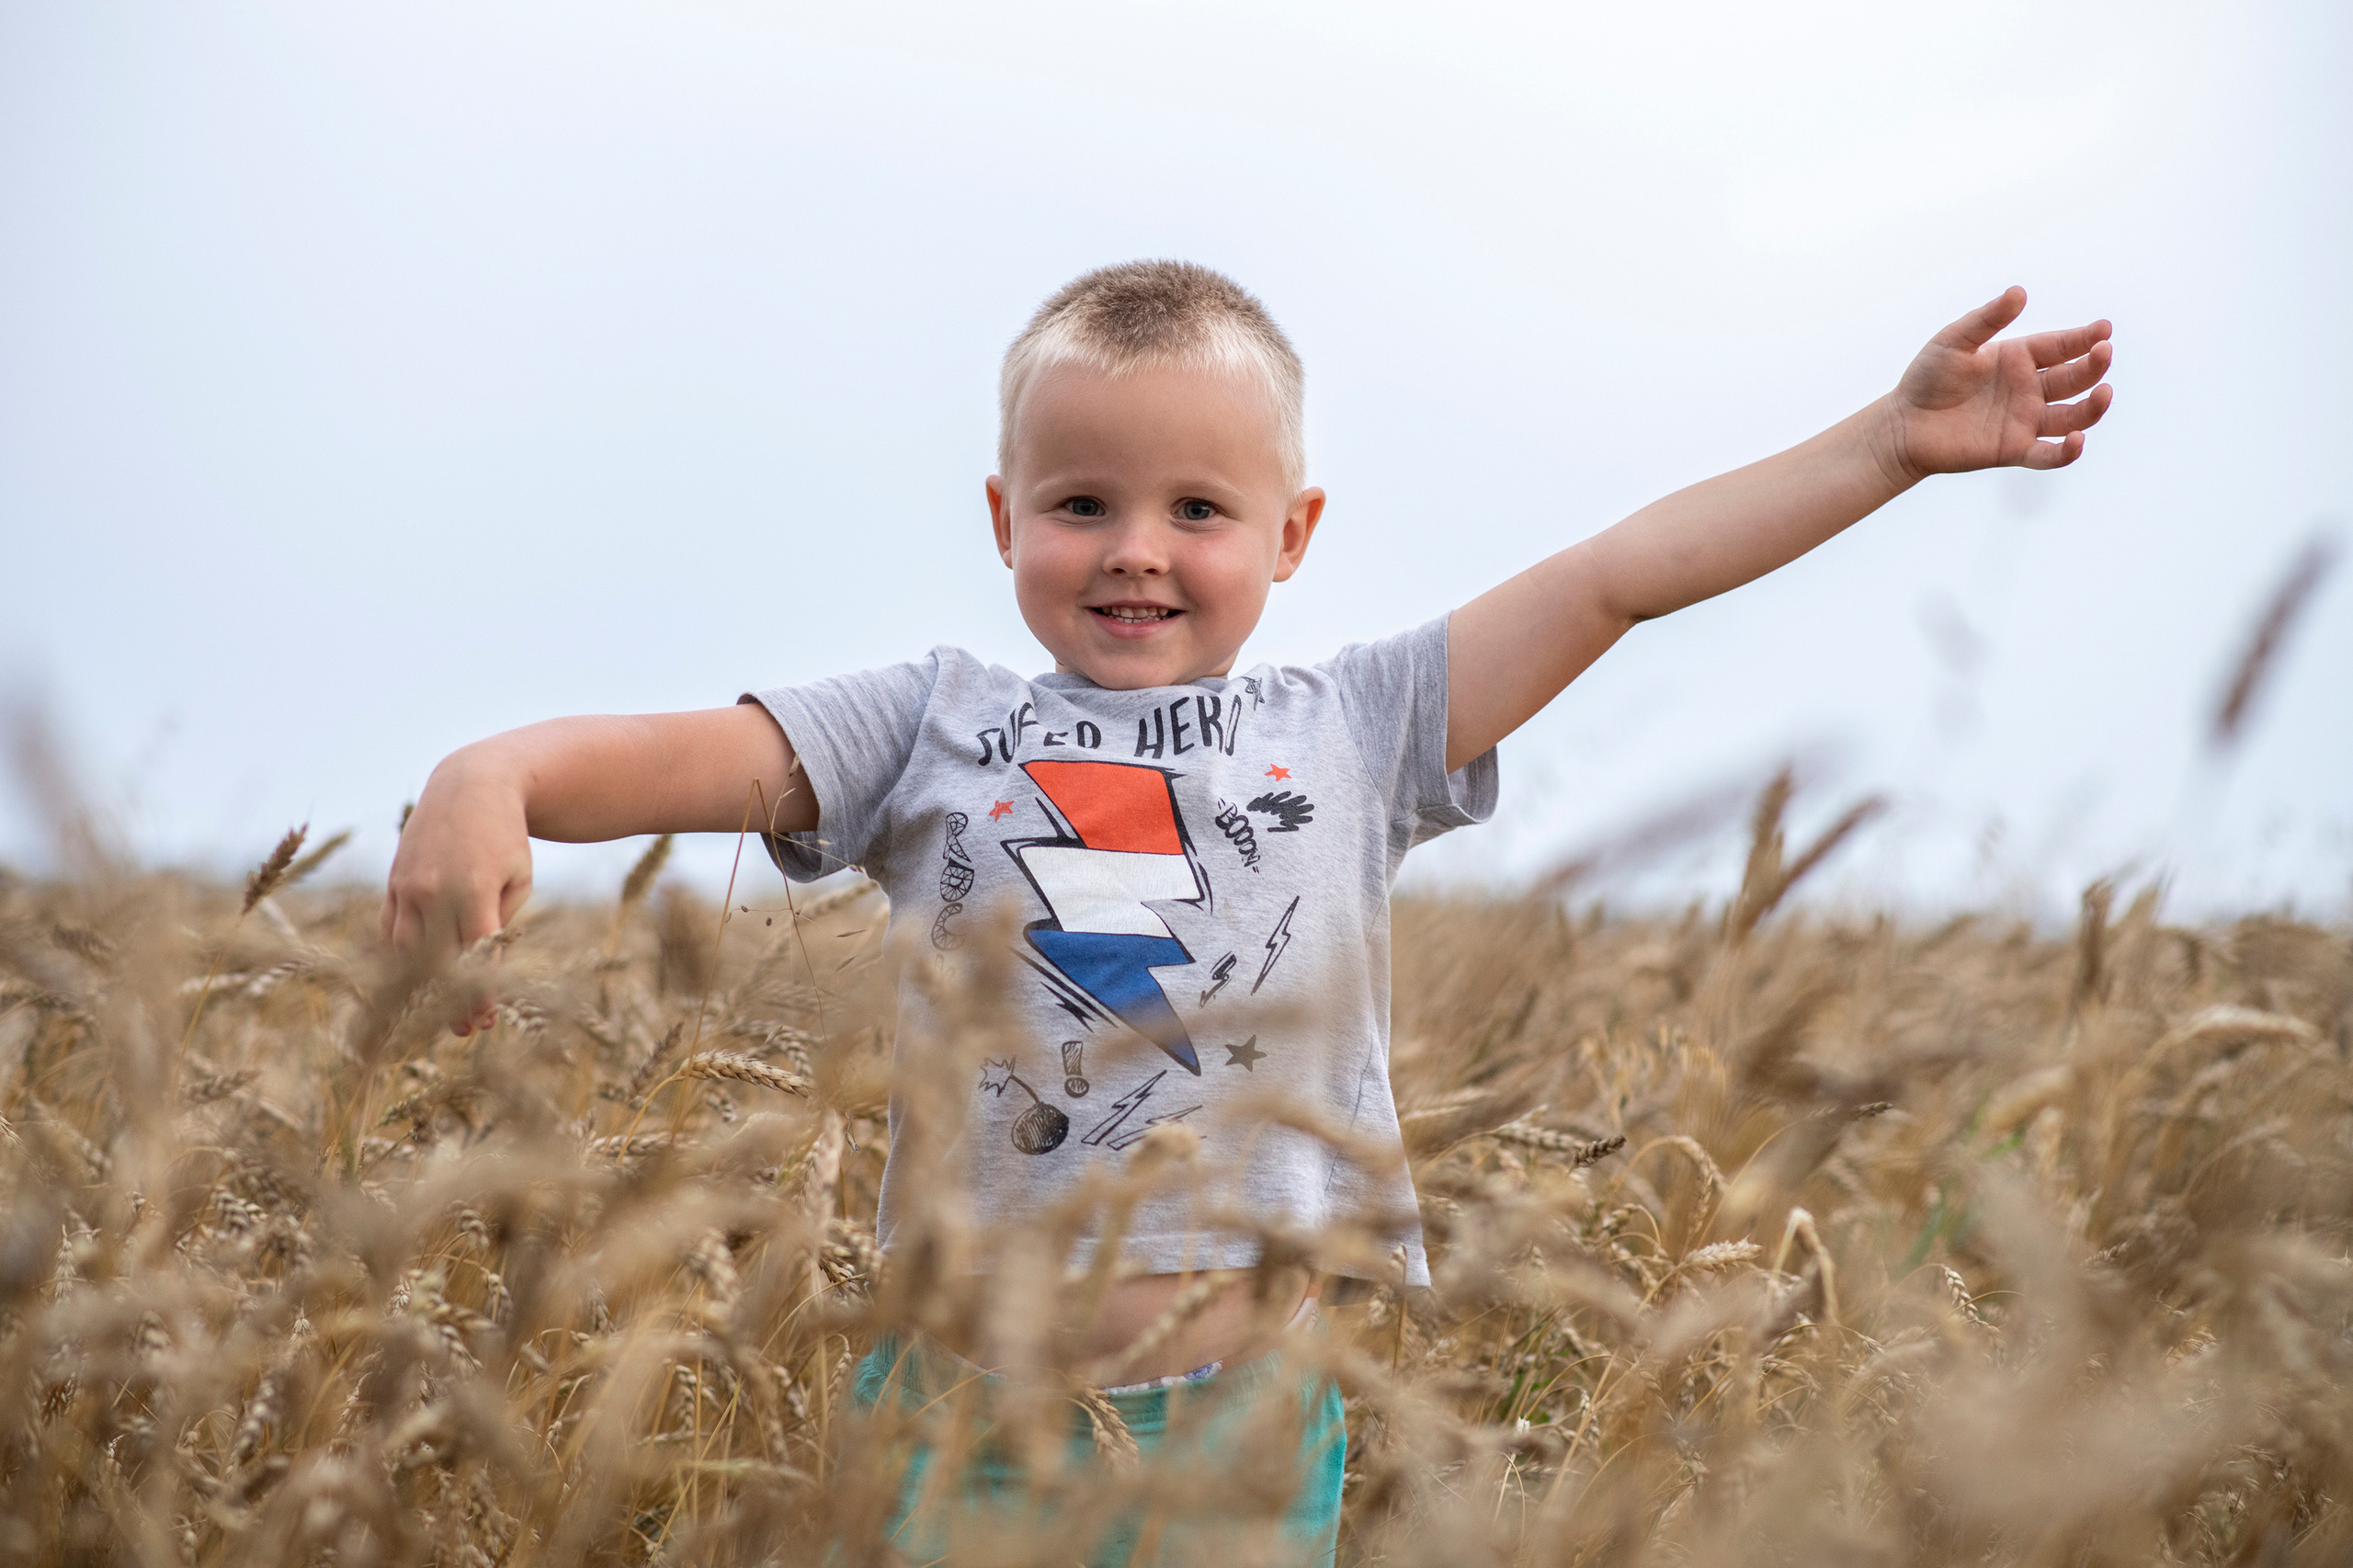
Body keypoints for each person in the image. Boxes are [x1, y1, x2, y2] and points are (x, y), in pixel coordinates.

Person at [382, 261, 2112, 1562]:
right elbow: (677, 756)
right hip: (944, 1418)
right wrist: (496, 770)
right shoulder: (927, 723)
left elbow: (1617, 576)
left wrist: (1885, 444)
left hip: (1245, 1427)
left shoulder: (1355, 729)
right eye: (1083, 503)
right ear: (1004, 520)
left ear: (1292, 532)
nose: (1137, 546)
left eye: (1198, 509)